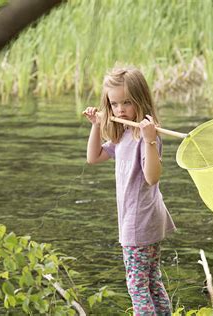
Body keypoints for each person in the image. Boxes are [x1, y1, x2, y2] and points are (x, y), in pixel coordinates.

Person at [83, 66, 176, 315]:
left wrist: (150, 140)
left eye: (127, 102)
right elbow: (94, 157)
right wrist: (96, 125)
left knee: (137, 286)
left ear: (141, 101)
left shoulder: (146, 137)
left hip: (139, 222)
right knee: (152, 282)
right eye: (114, 104)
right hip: (146, 220)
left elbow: (152, 177)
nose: (120, 110)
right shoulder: (124, 134)